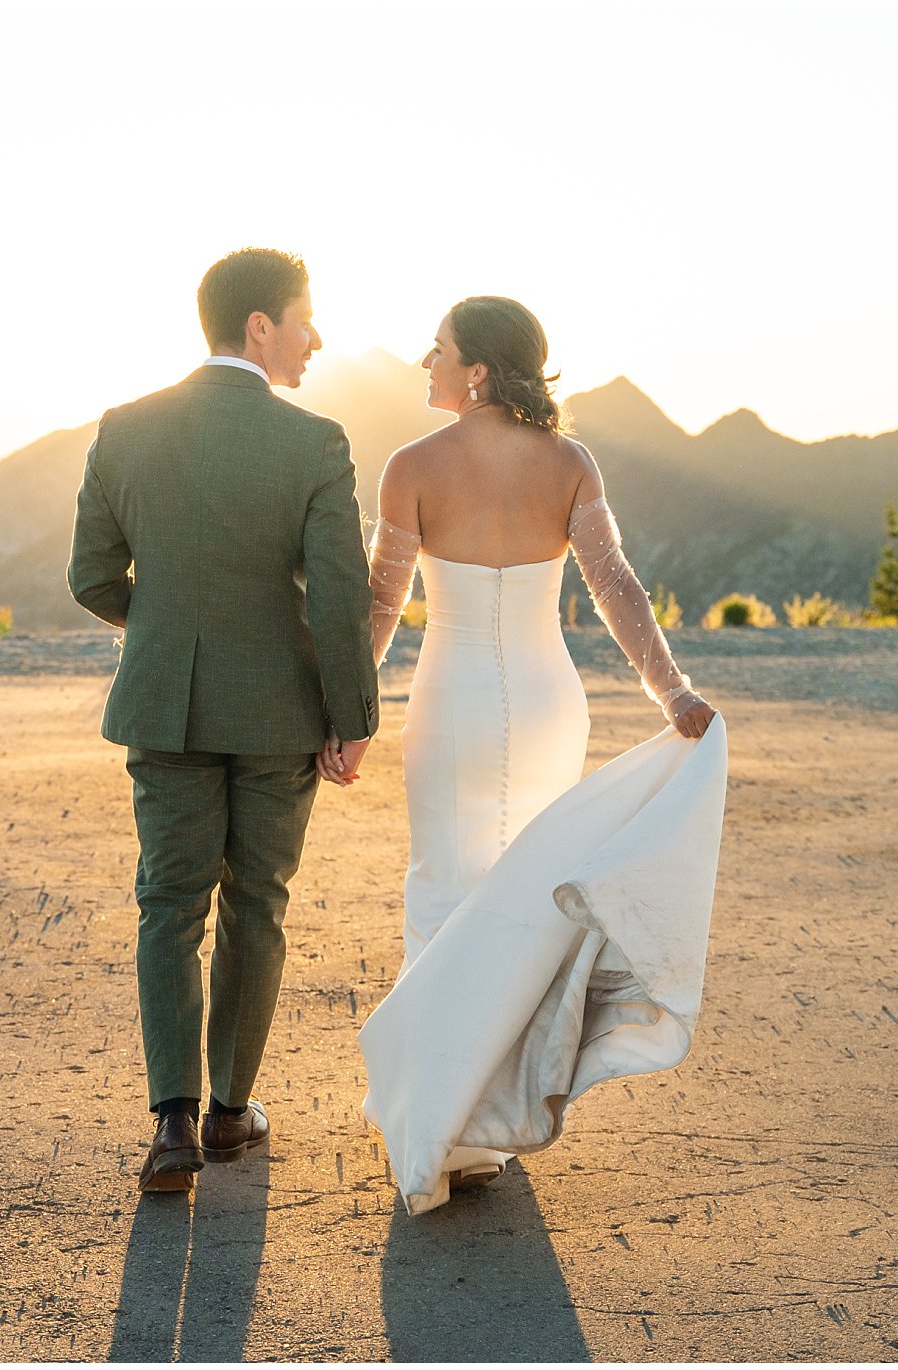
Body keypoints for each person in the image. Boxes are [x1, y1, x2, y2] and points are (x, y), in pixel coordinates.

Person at [348, 296, 730, 1215]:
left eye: (436, 350)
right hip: (551, 701)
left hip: (454, 704)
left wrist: (346, 718)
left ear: (476, 368)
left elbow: (380, 609)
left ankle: (439, 1136)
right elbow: (616, 586)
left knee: (443, 892)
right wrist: (669, 691)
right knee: (523, 905)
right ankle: (487, 1129)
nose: (423, 361)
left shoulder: (412, 466)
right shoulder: (569, 462)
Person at [68, 247, 377, 1193]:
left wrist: (163, 631)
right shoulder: (316, 442)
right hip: (280, 711)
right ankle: (231, 1113)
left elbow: (90, 578)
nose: (315, 337)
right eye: (304, 318)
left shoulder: (123, 430)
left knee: (169, 905)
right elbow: (336, 595)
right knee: (258, 905)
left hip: (164, 703)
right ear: (260, 327)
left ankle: (171, 1127)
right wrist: (351, 712)